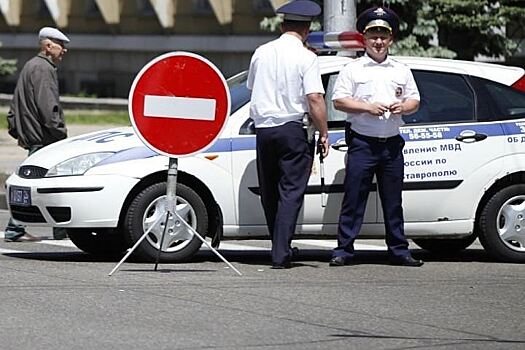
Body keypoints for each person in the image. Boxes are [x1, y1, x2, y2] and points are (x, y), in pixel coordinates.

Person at [329, 7, 424, 267]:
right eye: (373, 36)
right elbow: (339, 101)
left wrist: (403, 107)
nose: (378, 42)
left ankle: (399, 250)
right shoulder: (353, 68)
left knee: (393, 201)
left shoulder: (401, 69)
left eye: (383, 36)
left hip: (392, 144)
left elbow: (414, 100)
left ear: (391, 39)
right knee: (353, 199)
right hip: (363, 142)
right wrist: (366, 107)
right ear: (364, 40)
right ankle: (344, 250)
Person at [247, 0, 329, 269]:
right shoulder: (307, 57)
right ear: (307, 30)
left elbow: (252, 87)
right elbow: (315, 98)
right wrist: (324, 132)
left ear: (282, 26)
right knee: (291, 192)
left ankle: (279, 245)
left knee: (270, 192)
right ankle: (281, 253)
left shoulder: (261, 52)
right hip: (292, 130)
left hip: (264, 130)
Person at [3, 27, 70, 242]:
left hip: (34, 138)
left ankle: (18, 229)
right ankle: (56, 231)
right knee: (54, 184)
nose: (65, 50)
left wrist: (17, 132)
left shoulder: (31, 65)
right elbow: (48, 107)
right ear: (48, 46)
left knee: (31, 184)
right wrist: (61, 135)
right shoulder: (44, 69)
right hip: (45, 140)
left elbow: (14, 107)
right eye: (61, 45)